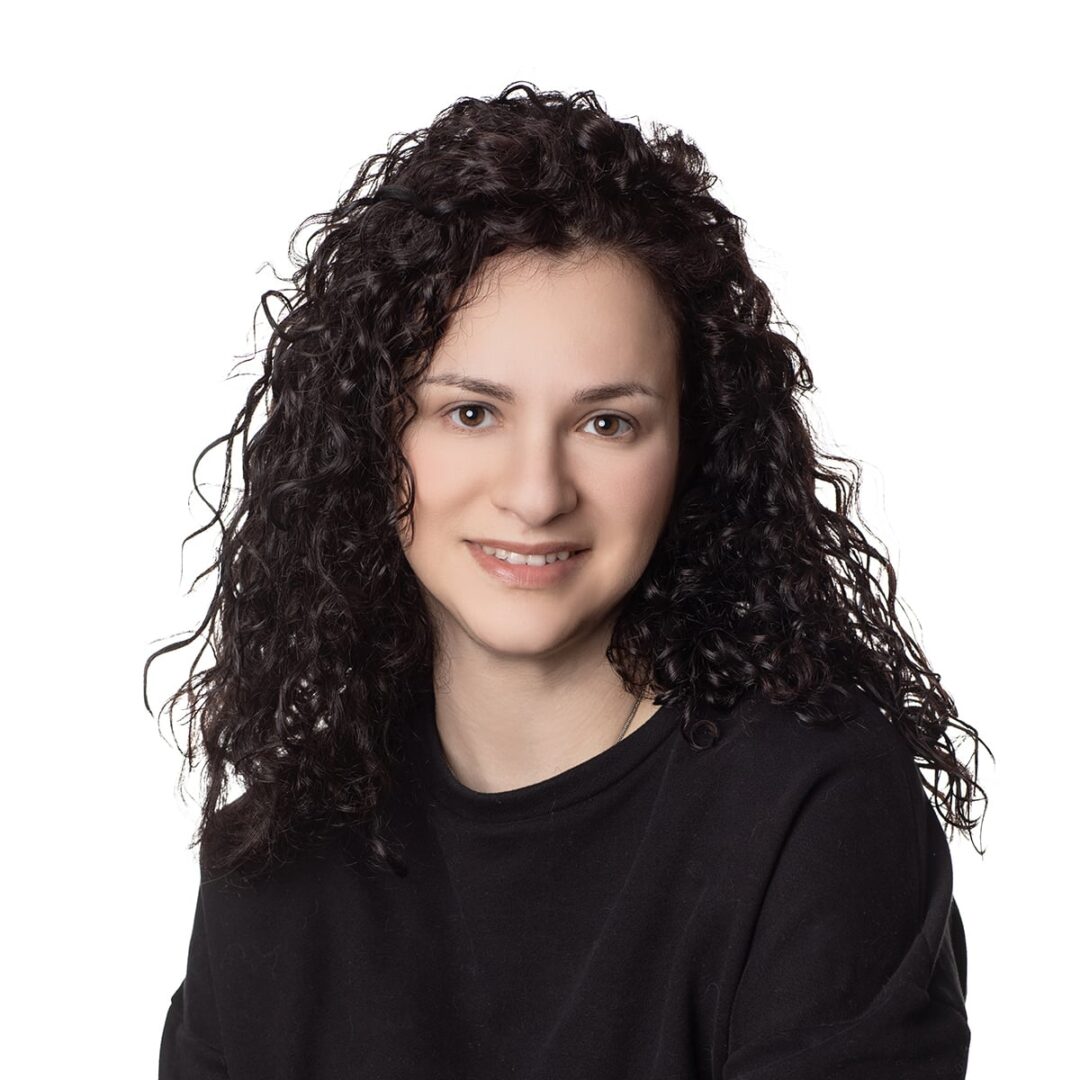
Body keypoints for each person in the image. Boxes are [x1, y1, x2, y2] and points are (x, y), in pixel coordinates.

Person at [148, 81, 987, 1079]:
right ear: (371, 435)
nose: (537, 494)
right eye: (471, 413)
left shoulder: (814, 816)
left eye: (607, 423)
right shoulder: (281, 855)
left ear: (691, 450)